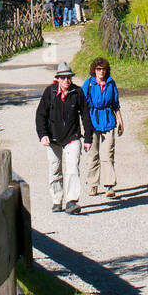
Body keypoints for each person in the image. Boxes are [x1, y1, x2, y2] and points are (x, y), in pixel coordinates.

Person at [35, 62, 92, 213]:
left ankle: (72, 201)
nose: (66, 80)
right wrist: (43, 135)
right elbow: (40, 115)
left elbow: (86, 115)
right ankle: (56, 200)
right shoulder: (50, 92)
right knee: (55, 169)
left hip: (72, 137)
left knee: (72, 168)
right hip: (53, 138)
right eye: (63, 77)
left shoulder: (78, 93)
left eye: (69, 77)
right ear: (58, 79)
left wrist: (88, 138)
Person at [82, 56, 123, 200]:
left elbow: (115, 104)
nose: (101, 72)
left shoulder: (111, 84)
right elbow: (82, 106)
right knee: (93, 155)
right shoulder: (88, 85)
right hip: (92, 123)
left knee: (107, 155)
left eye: (104, 69)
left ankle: (109, 186)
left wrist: (120, 121)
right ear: (94, 70)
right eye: (99, 69)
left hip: (108, 122)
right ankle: (93, 185)